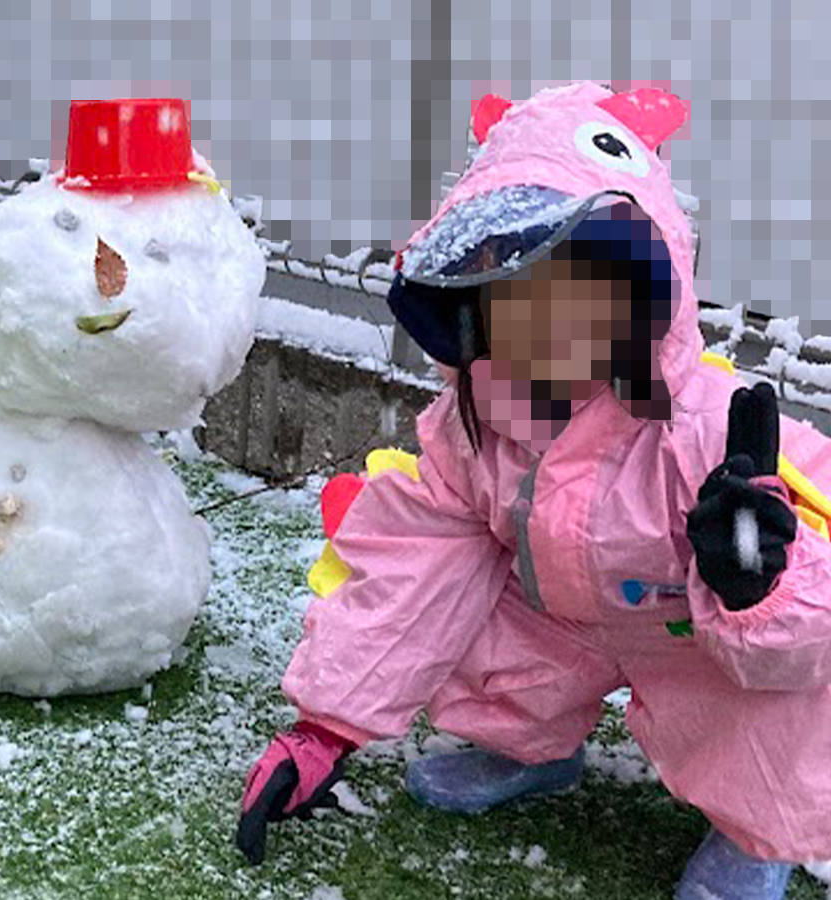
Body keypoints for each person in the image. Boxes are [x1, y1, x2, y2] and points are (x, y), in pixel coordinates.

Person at [237, 82, 831, 900]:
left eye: (582, 293)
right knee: (470, 615)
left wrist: (760, 583)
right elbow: (412, 579)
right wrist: (323, 729)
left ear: (647, 294)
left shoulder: (712, 429)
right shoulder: (475, 423)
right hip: (562, 615)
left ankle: (753, 832)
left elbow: (813, 624)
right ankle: (535, 747)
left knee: (773, 716)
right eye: (518, 295)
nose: (548, 329)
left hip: (696, 635)